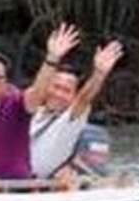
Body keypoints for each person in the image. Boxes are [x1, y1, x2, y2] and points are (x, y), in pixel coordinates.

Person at [0, 25, 77, 185]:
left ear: (6, 83)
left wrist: (52, 59)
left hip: (14, 189)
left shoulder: (15, 103)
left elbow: (37, 94)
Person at [31, 39, 124, 180]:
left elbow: (84, 98)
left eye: (66, 90)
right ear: (47, 86)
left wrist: (99, 73)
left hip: (38, 187)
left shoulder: (70, 120)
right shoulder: (31, 111)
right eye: (56, 87)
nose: (58, 94)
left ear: (73, 96)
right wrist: (52, 57)